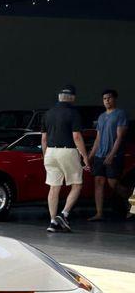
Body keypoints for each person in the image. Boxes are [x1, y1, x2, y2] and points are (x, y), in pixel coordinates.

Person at [41, 84, 90, 233]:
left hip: (50, 152)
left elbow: (44, 139)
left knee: (53, 188)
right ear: (73, 98)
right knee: (77, 184)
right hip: (67, 151)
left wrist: (45, 156)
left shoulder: (47, 114)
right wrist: (85, 157)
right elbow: (76, 136)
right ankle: (64, 214)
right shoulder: (73, 113)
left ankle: (52, 222)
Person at [88, 89, 129, 221]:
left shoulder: (120, 114)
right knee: (98, 183)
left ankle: (133, 202)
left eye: (109, 98)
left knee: (113, 184)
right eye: (105, 98)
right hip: (100, 155)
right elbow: (98, 139)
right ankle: (99, 213)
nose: (107, 100)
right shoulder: (101, 117)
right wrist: (90, 156)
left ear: (114, 99)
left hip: (114, 156)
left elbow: (119, 137)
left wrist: (111, 154)